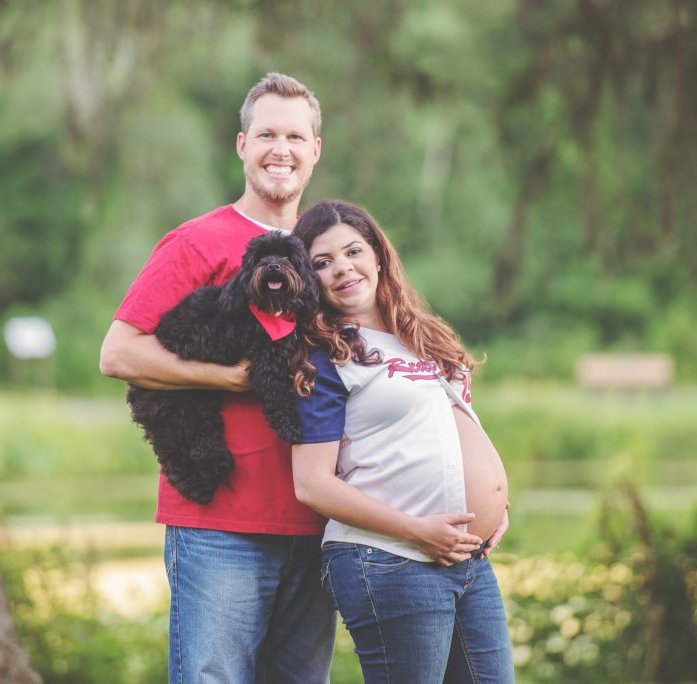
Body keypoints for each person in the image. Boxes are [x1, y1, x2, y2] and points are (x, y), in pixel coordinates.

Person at [99, 73, 335, 683]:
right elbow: (118, 353)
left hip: (318, 520)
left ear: (315, 149)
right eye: (266, 135)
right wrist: (231, 380)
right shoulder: (196, 241)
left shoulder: (327, 248)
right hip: (220, 526)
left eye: (294, 136)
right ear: (241, 145)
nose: (279, 148)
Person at [289, 200, 514, 684]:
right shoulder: (325, 355)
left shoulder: (422, 335)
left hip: (466, 558)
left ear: (378, 255)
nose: (342, 269)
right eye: (322, 263)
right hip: (389, 559)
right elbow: (311, 484)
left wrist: (497, 502)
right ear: (309, 281)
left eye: (353, 251)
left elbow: (451, 428)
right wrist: (416, 530)